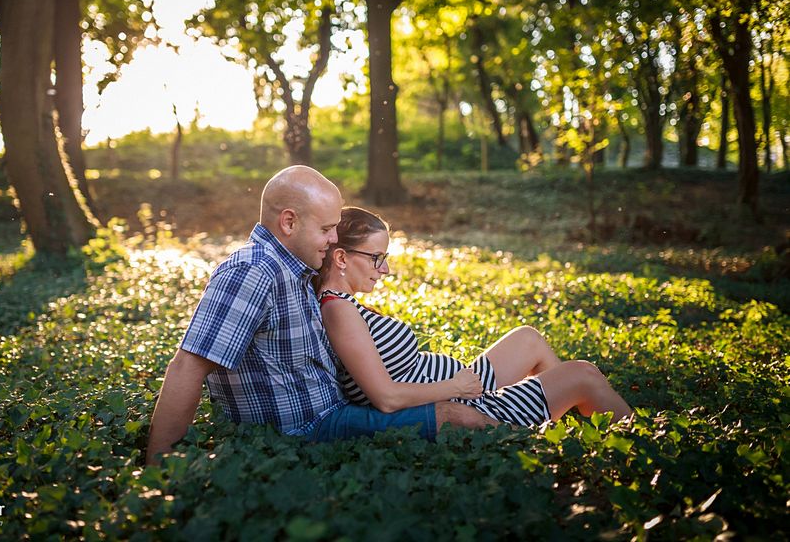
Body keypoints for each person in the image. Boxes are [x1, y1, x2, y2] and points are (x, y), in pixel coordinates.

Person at [146, 167, 493, 465]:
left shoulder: (295, 271)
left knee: (465, 403)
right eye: (327, 229)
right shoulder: (253, 271)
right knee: (455, 416)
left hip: (332, 413)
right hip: (306, 432)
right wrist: (160, 470)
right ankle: (533, 451)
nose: (334, 239)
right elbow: (188, 366)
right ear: (289, 221)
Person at [316, 206, 633, 426]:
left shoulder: (342, 304)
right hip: (463, 402)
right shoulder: (338, 310)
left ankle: (567, 415)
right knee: (583, 375)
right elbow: (386, 397)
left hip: (463, 384)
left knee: (528, 338)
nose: (385, 269)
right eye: (376, 259)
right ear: (341, 257)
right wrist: (456, 387)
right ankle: (640, 438)